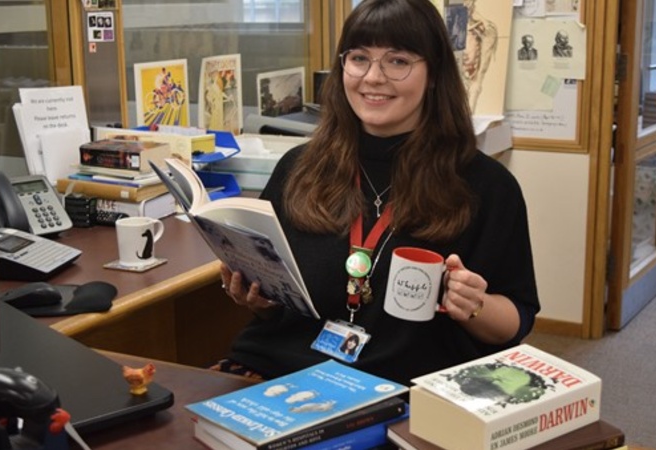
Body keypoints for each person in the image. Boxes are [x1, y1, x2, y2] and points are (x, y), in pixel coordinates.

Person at [216, 0, 539, 387]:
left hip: (404, 388)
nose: (373, 77)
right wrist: (262, 300)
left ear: (433, 73)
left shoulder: (486, 186)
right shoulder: (298, 168)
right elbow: (280, 307)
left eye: (397, 61)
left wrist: (475, 305)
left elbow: (516, 320)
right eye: (359, 58)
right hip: (280, 370)